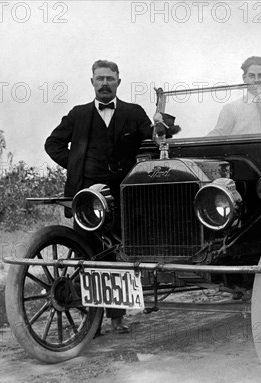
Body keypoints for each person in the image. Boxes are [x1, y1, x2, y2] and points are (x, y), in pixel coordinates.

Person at [45, 59, 152, 333]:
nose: (105, 83)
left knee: (118, 254)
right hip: (86, 197)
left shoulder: (134, 112)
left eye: (110, 78)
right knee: (86, 253)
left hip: (125, 194)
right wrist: (76, 163)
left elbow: (153, 143)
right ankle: (89, 322)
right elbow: (52, 143)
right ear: (92, 81)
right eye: (100, 78)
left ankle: (118, 318)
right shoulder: (78, 114)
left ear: (118, 81)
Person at [208, 56, 261, 136]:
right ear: (244, 78)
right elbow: (218, 134)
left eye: (260, 76)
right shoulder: (231, 109)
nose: (256, 80)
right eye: (252, 76)